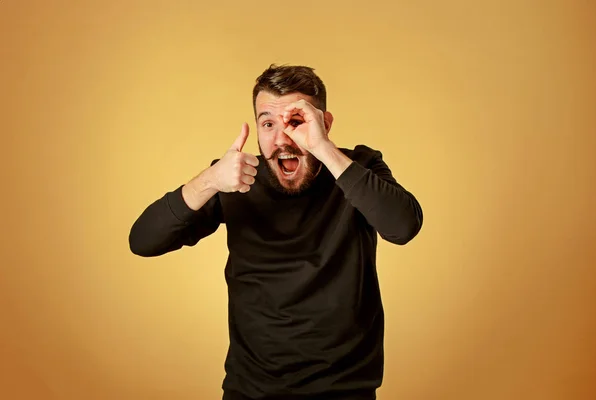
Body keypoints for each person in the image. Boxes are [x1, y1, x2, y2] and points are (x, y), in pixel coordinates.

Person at [129, 64, 423, 400]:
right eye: (268, 123)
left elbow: (404, 227)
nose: (282, 139)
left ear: (323, 123)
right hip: (251, 390)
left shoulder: (359, 168)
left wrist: (325, 149)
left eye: (296, 122)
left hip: (346, 390)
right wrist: (210, 181)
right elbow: (143, 241)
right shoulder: (235, 178)